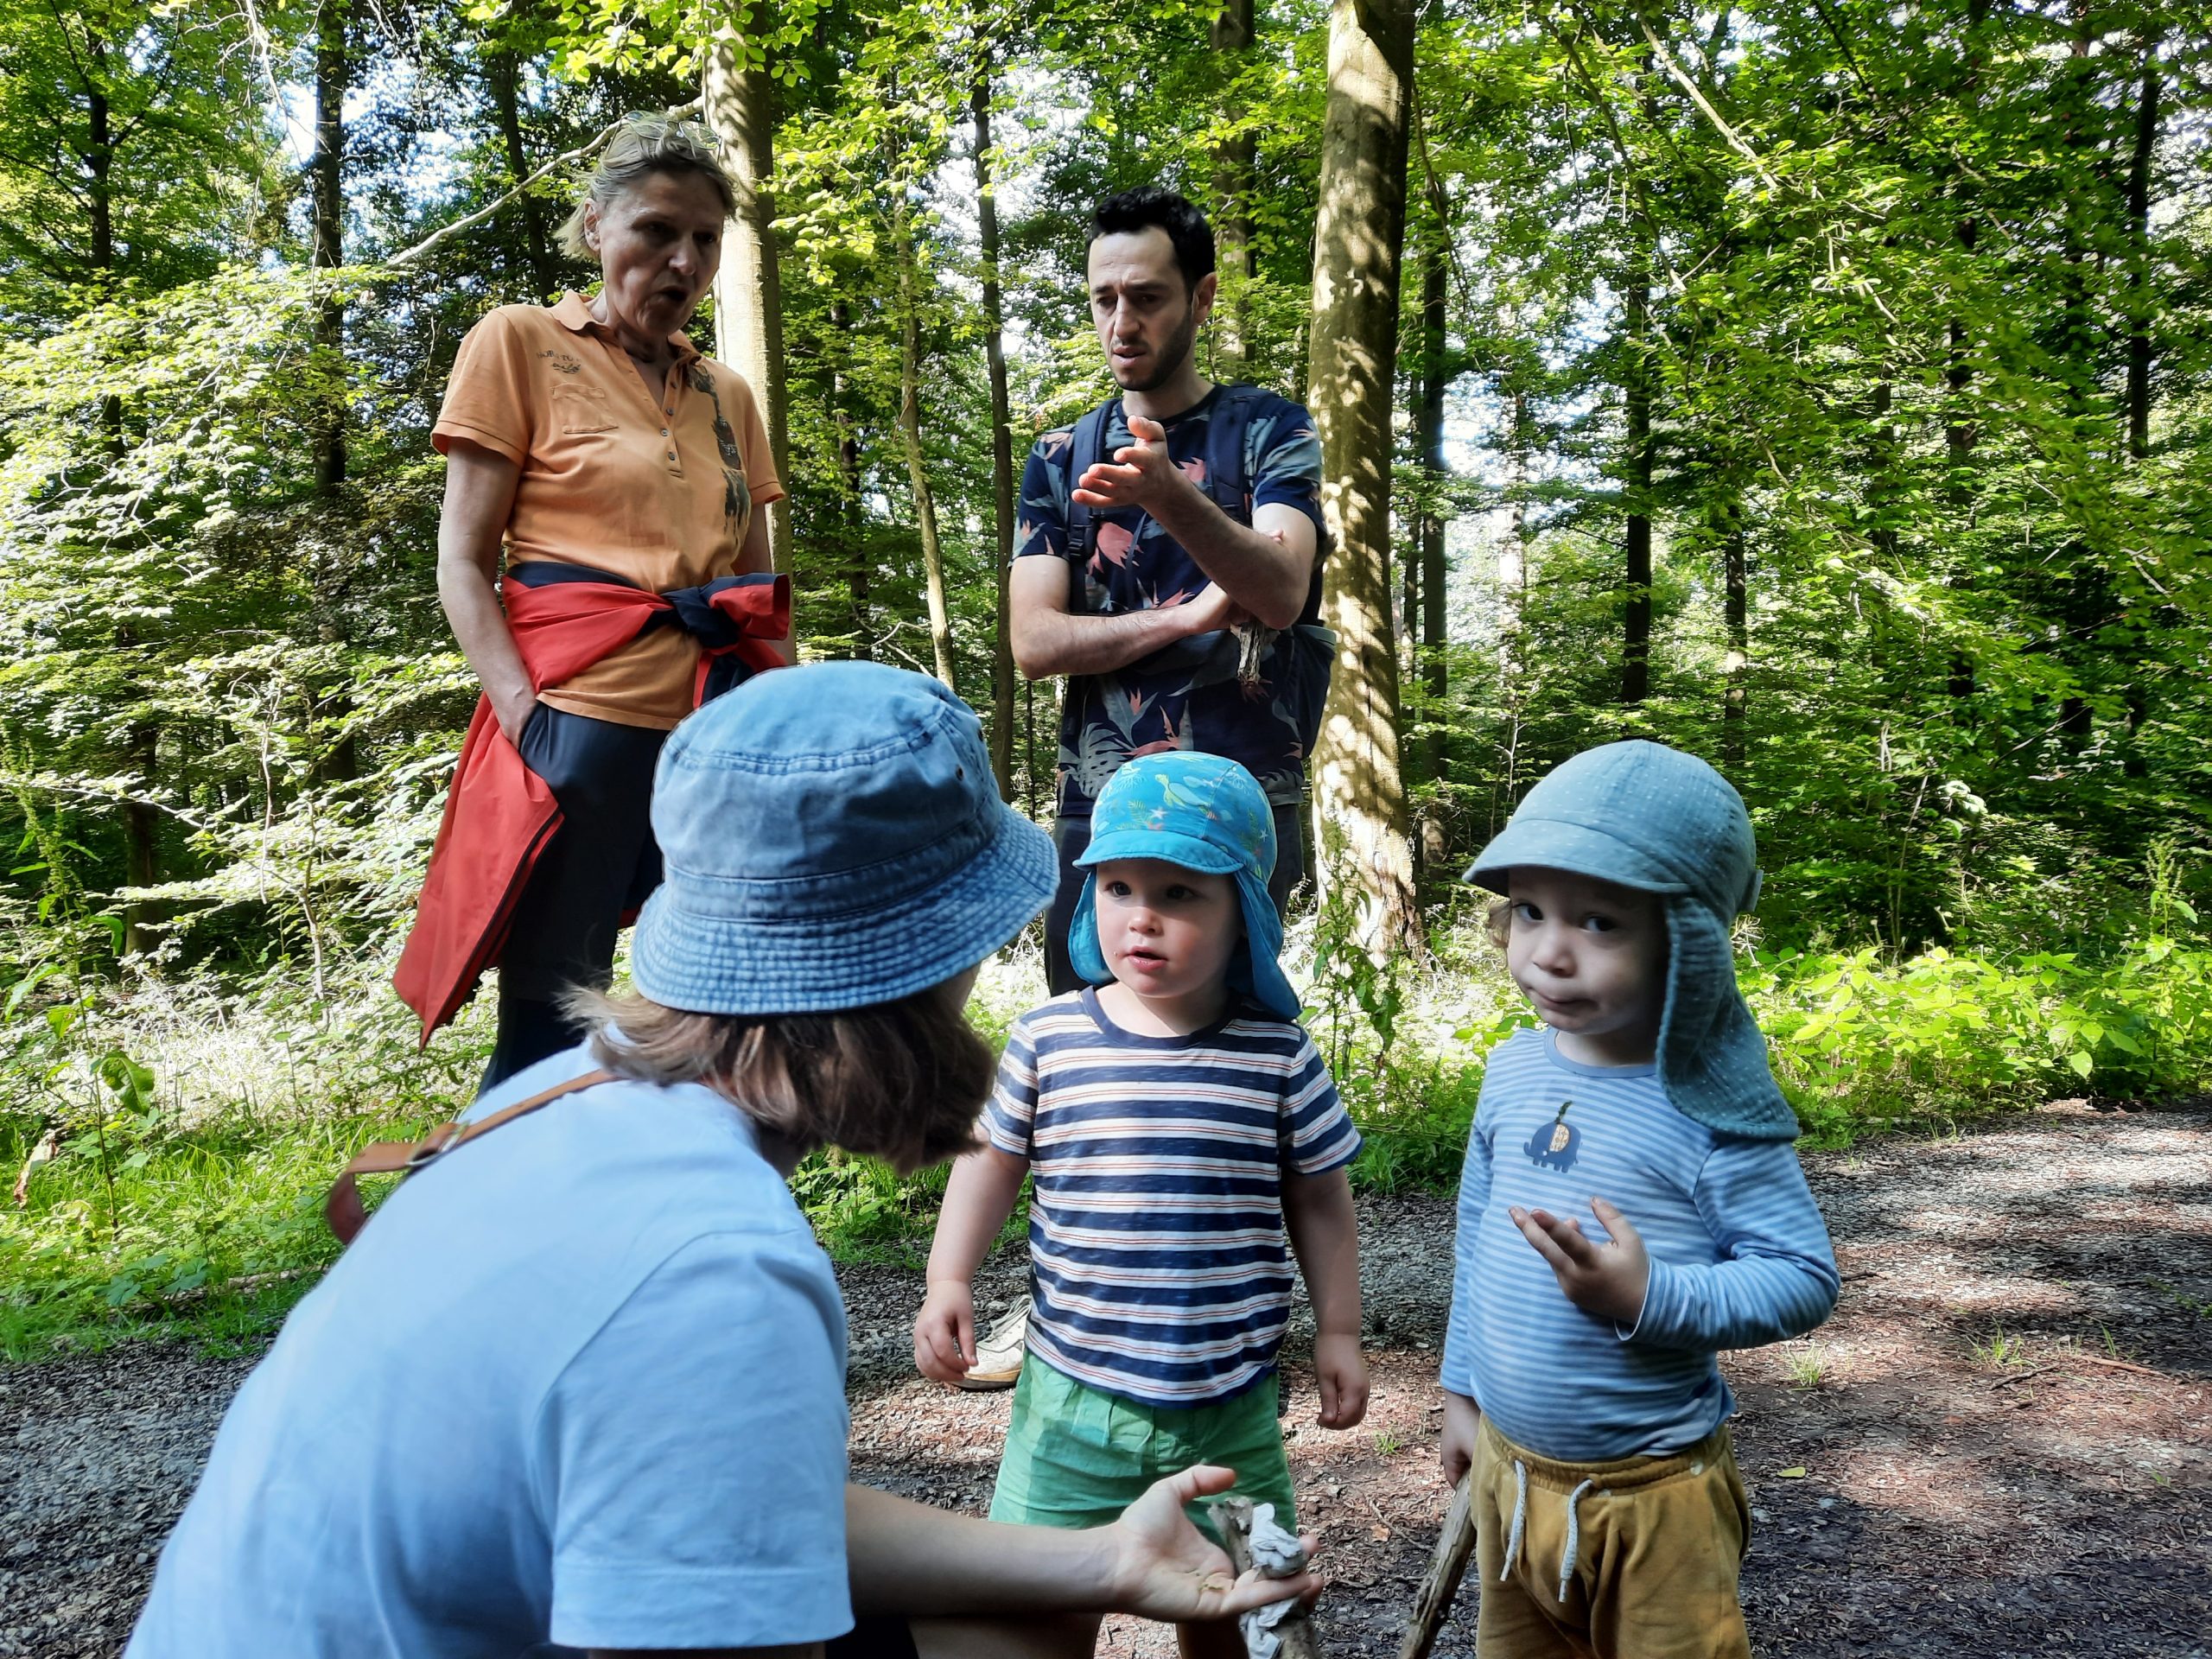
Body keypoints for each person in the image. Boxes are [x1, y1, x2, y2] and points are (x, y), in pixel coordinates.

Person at [128, 663, 1325, 1659]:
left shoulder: (565, 1092)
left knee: (1023, 1616)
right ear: (926, 958)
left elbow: (734, 1508)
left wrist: (1099, 1562)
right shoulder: (715, 1270)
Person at [914, 750, 1368, 1659]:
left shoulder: (1278, 1056)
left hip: (1230, 1406)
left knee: (1256, 1620)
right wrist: (947, 1277)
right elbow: (991, 1161)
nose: (1142, 918)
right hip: (1069, 1406)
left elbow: (1320, 1199)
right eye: (1118, 888)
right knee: (1032, 1614)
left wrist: (1340, 1330)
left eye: (1180, 894)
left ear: (1246, 912)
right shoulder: (1050, 1038)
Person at [394, 115, 794, 1092]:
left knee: (708, 1009)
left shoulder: (727, 395)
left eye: (704, 240)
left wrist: (778, 735)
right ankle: (510, 1180)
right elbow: (462, 561)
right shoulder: (521, 342)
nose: (683, 261)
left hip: (711, 739)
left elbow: (753, 595)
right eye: (656, 230)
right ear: (594, 227)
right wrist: (527, 718)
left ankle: (674, 1181)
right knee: (553, 1018)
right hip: (578, 724)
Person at [1436, 741, 1841, 1659]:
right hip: (1511, 1472)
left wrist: (1645, 1295)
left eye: (1600, 923)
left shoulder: (1706, 1107)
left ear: (1686, 943)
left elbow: (1801, 1276)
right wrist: (1461, 1389)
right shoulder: (1510, 1071)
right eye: (1530, 910)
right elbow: (1476, 1240)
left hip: (1654, 1498)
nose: (1550, 953)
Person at [1008, 186, 1332, 996]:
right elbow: (1035, 643)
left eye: (1147, 298)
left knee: (1237, 1032)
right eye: (1104, 299)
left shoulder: (1271, 430)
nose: (1122, 324)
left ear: (1203, 297)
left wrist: (1166, 494)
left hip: (1244, 796)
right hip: (1099, 799)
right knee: (1087, 1031)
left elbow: (1282, 592)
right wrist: (1190, 616)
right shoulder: (1060, 455)